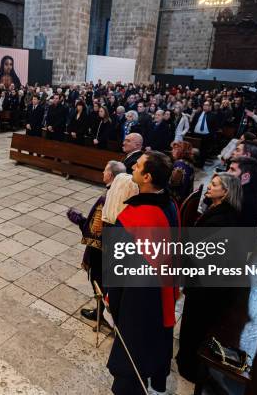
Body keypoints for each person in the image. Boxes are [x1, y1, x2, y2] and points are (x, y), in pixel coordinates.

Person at [107, 150, 179, 394]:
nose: (133, 169)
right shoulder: (171, 204)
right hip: (162, 289)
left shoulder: (133, 217)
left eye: (137, 166)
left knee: (132, 353)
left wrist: (111, 301)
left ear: (147, 177)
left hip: (137, 298)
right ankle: (156, 379)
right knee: (154, 342)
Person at [176, 173, 247, 384]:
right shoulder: (220, 211)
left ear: (225, 192)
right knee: (193, 324)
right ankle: (188, 360)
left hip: (206, 287)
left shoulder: (222, 220)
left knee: (194, 325)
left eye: (214, 185)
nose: (209, 187)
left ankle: (189, 367)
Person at [66, 160, 127, 324]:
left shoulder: (107, 198)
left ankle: (102, 315)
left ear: (111, 175)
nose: (102, 173)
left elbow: (94, 230)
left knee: (99, 282)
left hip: (100, 251)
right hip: (116, 248)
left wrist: (79, 220)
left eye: (105, 171)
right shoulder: (125, 195)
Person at [228, 156, 257, 227]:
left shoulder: (240, 198)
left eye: (232, 170)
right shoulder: (247, 191)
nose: (227, 172)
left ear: (245, 177)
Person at [190, 101, 217, 166]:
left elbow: (214, 127)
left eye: (207, 105)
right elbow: (193, 123)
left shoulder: (213, 115)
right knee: (193, 149)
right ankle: (192, 161)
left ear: (210, 107)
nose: (205, 106)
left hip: (206, 136)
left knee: (203, 151)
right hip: (196, 135)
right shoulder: (198, 113)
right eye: (204, 105)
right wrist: (192, 132)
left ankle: (200, 164)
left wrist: (210, 135)